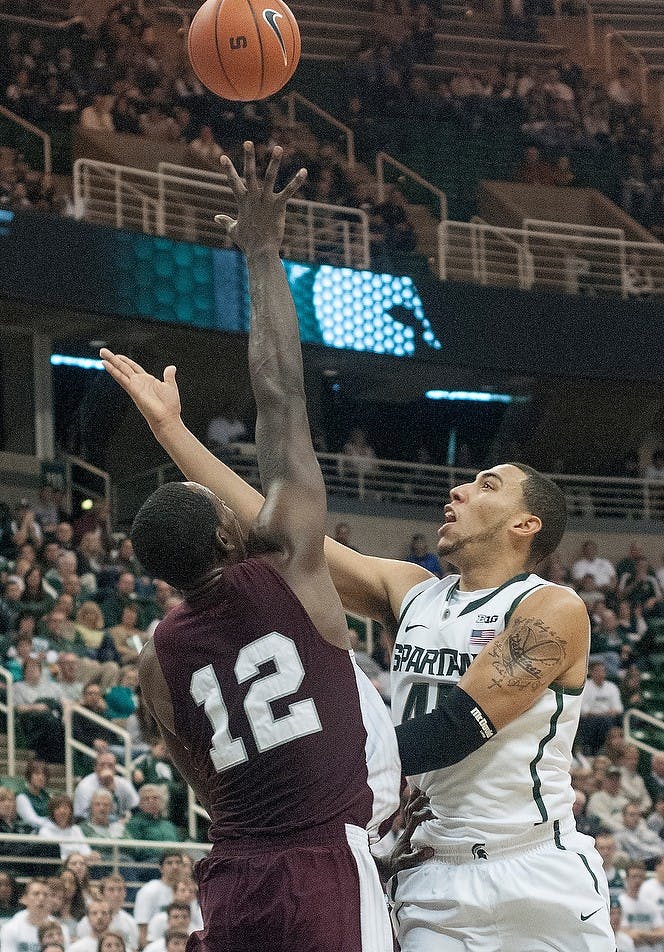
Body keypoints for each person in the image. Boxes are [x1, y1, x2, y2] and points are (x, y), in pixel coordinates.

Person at [101, 155, 612, 947]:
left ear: (527, 526)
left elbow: (460, 726)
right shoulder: (412, 589)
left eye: (485, 483)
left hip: (532, 870)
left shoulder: (551, 608)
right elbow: (267, 524)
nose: (458, 490)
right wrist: (172, 433)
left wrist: (309, 769)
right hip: (427, 871)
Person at [100, 141, 402, 952]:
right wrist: (263, 252)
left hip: (232, 878)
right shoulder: (290, 569)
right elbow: (280, 394)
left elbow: (201, 779)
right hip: (324, 869)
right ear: (230, 529)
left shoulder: (156, 657)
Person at [0, 878, 55, 951]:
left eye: (46, 895)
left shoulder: (59, 929)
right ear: (25, 898)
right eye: (36, 894)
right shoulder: (10, 928)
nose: (41, 898)